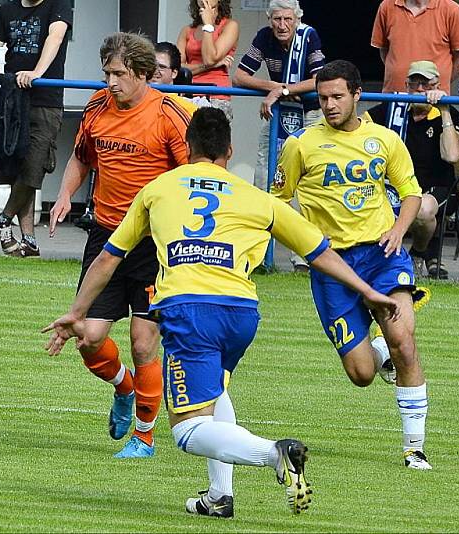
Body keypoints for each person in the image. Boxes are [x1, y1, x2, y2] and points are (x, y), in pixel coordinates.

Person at [42, 107, 401, 517]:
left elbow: (108, 258)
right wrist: (369, 292)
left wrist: (77, 311)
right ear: (229, 150)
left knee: (188, 430)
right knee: (215, 392)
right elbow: (320, 252)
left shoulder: (159, 189)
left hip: (189, 310)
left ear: (188, 147)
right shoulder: (257, 198)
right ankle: (218, 497)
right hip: (241, 314)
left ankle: (273, 454)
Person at [274, 60, 433, 470]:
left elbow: (410, 193)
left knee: (404, 339)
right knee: (361, 373)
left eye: (337, 97)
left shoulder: (384, 140)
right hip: (331, 265)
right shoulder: (300, 145)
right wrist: (303, 242)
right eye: (323, 98)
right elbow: (276, 201)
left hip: (381, 252)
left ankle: (414, 448)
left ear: (357, 95)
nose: (328, 105)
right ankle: (378, 352)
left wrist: (399, 229)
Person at [47, 32, 191, 459]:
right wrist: (64, 194)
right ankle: (124, 387)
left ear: (144, 74)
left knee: (144, 341)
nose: (111, 82)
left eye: (119, 74)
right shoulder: (96, 106)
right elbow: (81, 157)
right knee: (89, 337)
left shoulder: (170, 114)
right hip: (106, 237)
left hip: (154, 244)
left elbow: (197, 171)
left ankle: (144, 438)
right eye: (107, 73)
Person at [233, 0, 325, 273]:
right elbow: (239, 76)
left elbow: (320, 80)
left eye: (287, 19)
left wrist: (282, 92)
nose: (282, 25)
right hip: (277, 117)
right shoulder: (264, 36)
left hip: (310, 117)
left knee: (308, 185)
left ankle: (304, 257)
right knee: (265, 179)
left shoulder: (309, 36)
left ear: (297, 19)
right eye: (276, 19)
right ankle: (261, 255)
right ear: (269, 19)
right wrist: (274, 87)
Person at [0, 0, 72, 258]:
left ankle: (3, 220)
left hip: (46, 99)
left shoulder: (59, 5)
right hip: (12, 97)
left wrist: (36, 72)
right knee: (18, 169)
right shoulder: (6, 9)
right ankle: (29, 240)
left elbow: (55, 38)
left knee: (34, 166)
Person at [365, 60, 459, 278]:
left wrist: (444, 110)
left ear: (437, 86)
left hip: (436, 188)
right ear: (406, 85)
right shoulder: (394, 107)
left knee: (424, 209)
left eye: (427, 85)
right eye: (415, 84)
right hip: (396, 187)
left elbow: (452, 156)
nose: (420, 90)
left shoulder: (447, 111)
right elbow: (360, 125)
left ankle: (418, 252)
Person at [371, 0, 459, 94]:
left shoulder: (452, 10)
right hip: (394, 97)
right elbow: (385, 52)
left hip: (434, 99)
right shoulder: (387, 6)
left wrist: (431, 85)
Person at [177, 0, 238, 121]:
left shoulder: (230, 26)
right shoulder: (187, 30)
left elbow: (209, 58)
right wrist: (211, 66)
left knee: (213, 138)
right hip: (188, 93)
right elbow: (177, 68)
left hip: (216, 95)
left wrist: (208, 25)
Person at [151, 41, 204, 115]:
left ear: (174, 73)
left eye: (161, 67)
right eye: (151, 66)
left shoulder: (196, 104)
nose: (154, 71)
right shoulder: (136, 100)